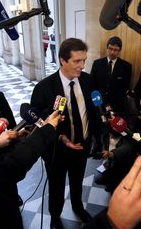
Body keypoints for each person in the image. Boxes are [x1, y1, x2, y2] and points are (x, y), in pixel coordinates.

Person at [31, 38, 102, 228]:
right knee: (56, 185)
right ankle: (55, 215)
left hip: (82, 145)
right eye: (77, 61)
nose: (82, 66)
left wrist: (97, 137)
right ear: (63, 60)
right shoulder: (44, 88)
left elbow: (95, 109)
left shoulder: (88, 81)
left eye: (84, 60)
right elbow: (37, 122)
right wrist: (60, 137)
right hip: (57, 150)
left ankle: (78, 207)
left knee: (77, 180)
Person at [91, 36, 132, 112]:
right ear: (107, 48)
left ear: (119, 51)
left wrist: (110, 105)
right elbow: (93, 85)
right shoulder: (97, 63)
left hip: (117, 106)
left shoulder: (126, 66)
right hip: (99, 105)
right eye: (110, 48)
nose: (112, 52)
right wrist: (103, 103)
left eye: (115, 50)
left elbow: (124, 88)